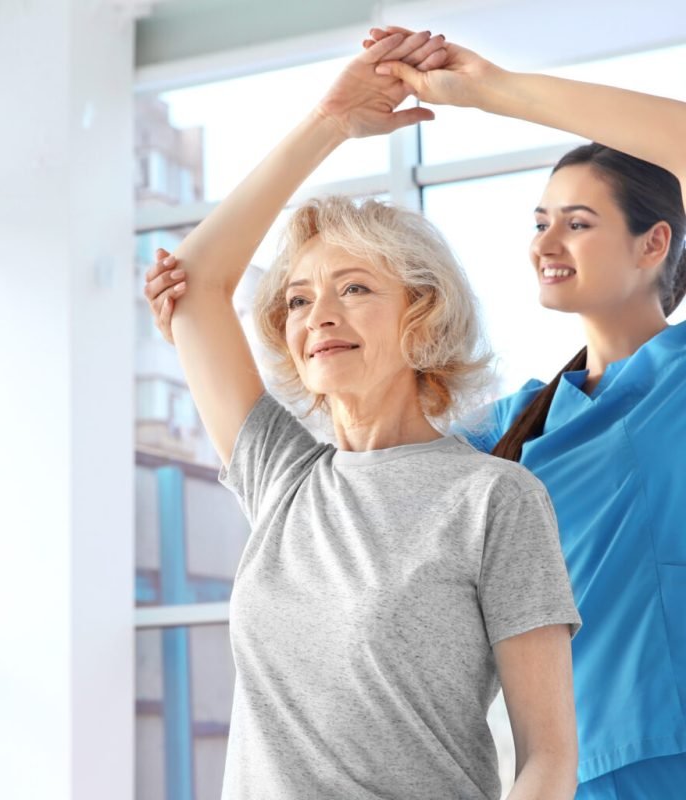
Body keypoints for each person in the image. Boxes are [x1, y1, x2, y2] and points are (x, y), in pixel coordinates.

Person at [143, 32, 581, 800]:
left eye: (354, 288)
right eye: (301, 299)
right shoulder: (281, 475)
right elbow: (195, 283)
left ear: (423, 313)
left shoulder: (495, 500)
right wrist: (332, 122)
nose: (319, 316)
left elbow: (548, 759)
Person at [359, 29, 686, 800]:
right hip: (574, 771)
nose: (546, 240)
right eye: (539, 221)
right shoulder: (515, 425)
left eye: (577, 221)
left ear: (654, 243)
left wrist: (491, 91)